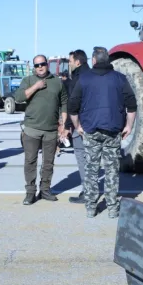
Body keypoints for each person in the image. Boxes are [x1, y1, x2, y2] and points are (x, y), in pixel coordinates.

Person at [68, 47, 137, 218]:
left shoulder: (84, 79)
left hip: (91, 130)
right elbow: (132, 104)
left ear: (94, 60)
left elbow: (72, 106)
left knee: (91, 169)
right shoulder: (120, 79)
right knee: (112, 170)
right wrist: (129, 125)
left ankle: (91, 208)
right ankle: (112, 208)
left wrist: (78, 126)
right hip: (113, 131)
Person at [14, 54, 68, 205]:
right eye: (37, 65)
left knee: (48, 163)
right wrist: (36, 86)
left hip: (51, 130)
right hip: (32, 129)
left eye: (42, 64)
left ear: (46, 64)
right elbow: (18, 97)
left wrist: (63, 123)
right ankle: (30, 192)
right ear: (34, 67)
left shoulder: (57, 82)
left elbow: (64, 102)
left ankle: (45, 190)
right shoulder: (28, 80)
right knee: (30, 161)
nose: (40, 67)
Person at [63, 49, 91, 205]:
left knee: (82, 158)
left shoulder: (77, 79)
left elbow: (72, 104)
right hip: (97, 124)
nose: (69, 63)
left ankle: (87, 192)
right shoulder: (94, 76)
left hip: (81, 124)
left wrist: (68, 126)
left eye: (70, 61)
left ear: (78, 62)